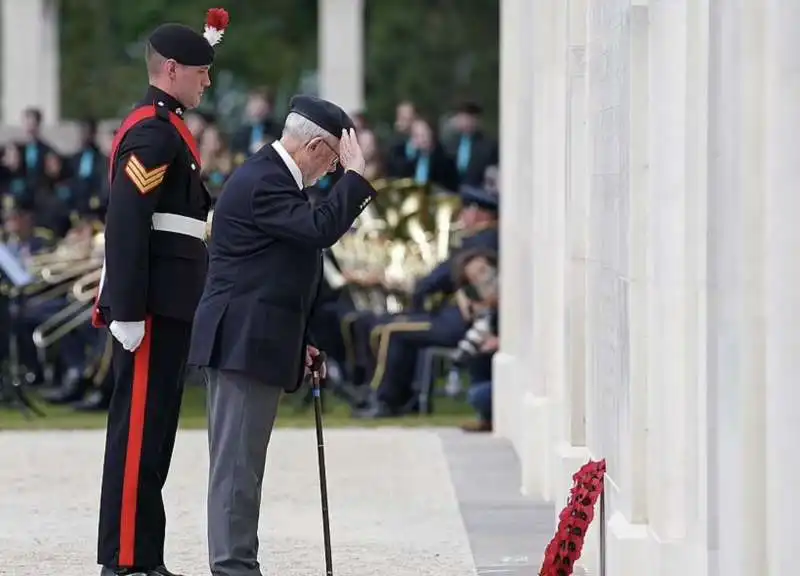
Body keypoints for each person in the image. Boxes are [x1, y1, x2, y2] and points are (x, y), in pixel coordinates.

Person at [187, 94, 375, 576]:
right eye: (333, 160)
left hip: (259, 337)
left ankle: (237, 563)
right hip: (241, 341)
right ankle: (233, 568)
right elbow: (319, 230)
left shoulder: (274, 179)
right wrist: (356, 179)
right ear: (314, 146)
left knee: (243, 465)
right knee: (236, 468)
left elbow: (285, 269)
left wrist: (303, 338)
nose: (332, 171)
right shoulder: (263, 181)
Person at [92, 8, 230, 576]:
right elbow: (127, 219)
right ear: (171, 69)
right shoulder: (153, 129)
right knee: (138, 440)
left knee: (155, 439)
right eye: (200, 71)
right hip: (150, 305)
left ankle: (143, 556)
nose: (207, 80)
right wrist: (126, 309)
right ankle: (125, 560)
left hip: (169, 302)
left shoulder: (168, 126)